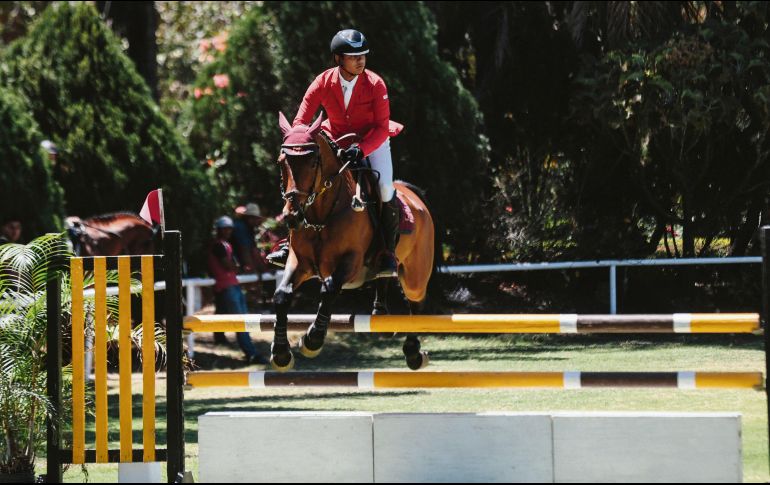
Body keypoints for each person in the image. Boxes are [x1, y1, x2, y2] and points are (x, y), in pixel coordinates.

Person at [287, 29, 402, 277]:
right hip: (336, 138)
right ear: (339, 59)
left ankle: (387, 252)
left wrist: (361, 149)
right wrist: (297, 140)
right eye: (353, 56)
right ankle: (291, 244)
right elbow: (301, 120)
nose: (360, 61)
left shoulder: (375, 84)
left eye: (363, 55)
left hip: (372, 140)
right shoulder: (322, 82)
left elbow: (382, 127)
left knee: (384, 187)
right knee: (305, 179)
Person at [207, 216, 267, 365]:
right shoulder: (219, 245)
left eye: (230, 228)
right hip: (227, 286)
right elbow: (229, 266)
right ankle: (251, 353)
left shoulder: (224, 244)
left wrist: (237, 268)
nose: (228, 231)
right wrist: (238, 268)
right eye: (225, 228)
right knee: (241, 321)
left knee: (240, 320)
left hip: (230, 285)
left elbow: (232, 266)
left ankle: (240, 347)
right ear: (219, 229)